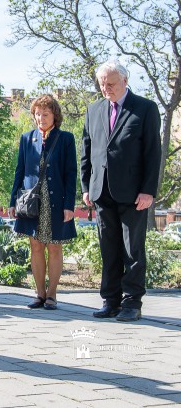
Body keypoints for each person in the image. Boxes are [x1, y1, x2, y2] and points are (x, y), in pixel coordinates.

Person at [81, 60, 161, 322]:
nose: (106, 88)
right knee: (109, 249)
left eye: (111, 83)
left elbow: (153, 152)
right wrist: (86, 187)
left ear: (125, 81)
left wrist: (148, 190)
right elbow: (87, 151)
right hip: (101, 191)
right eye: (102, 84)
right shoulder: (94, 110)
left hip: (134, 193)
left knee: (132, 250)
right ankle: (110, 300)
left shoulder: (145, 108)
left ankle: (132, 302)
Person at [8, 94, 77, 310]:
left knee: (54, 247)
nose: (41, 118)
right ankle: (39, 294)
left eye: (45, 114)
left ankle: (52, 295)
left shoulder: (66, 139)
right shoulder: (26, 138)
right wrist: (13, 201)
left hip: (56, 201)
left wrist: (69, 205)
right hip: (32, 202)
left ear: (54, 115)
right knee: (35, 246)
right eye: (37, 114)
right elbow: (20, 171)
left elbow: (71, 174)